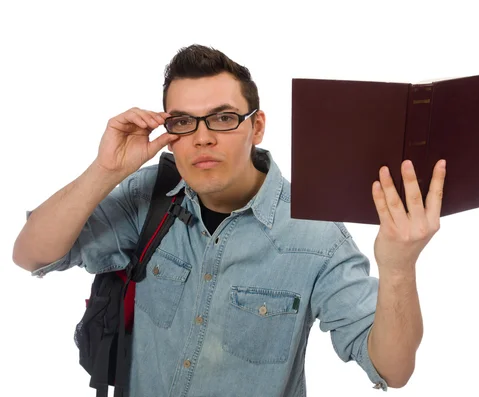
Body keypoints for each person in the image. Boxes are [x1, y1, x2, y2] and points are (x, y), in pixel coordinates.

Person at [12, 44, 446, 396]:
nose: (202, 137)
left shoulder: (318, 235)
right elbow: (30, 254)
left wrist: (399, 266)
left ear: (256, 127)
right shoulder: (146, 197)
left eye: (222, 118)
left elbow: (392, 368)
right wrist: (105, 171)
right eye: (183, 121)